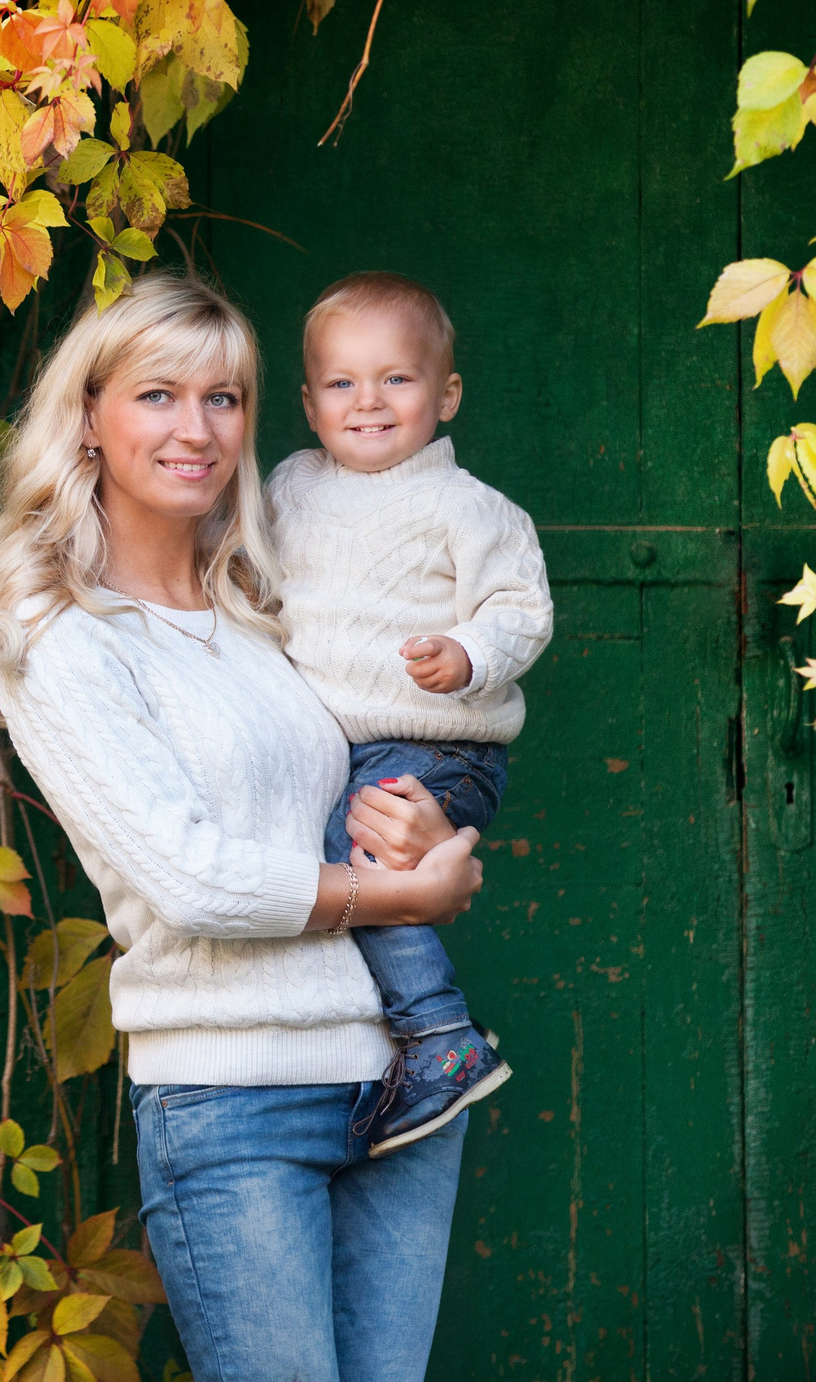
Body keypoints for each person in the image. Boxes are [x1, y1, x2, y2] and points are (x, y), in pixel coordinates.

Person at [0, 274, 489, 1382]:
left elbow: (355, 779)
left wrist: (411, 825)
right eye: (157, 396)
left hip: (390, 1089)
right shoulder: (65, 636)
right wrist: (398, 900)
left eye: (224, 399)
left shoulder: (261, 611)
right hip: (233, 1105)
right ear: (89, 416)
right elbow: (193, 880)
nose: (196, 429)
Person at [266, 271, 553, 1154]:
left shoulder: (468, 508)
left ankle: (440, 1038)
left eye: (397, 379)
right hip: (336, 746)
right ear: (310, 403)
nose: (369, 402)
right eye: (343, 383)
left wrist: (468, 655)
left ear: (446, 393)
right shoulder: (288, 486)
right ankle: (399, 1038)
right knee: (327, 847)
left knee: (355, 851)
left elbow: (520, 609)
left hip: (437, 747)